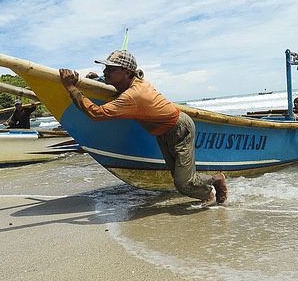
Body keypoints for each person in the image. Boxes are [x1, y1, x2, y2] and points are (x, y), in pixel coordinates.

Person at [59, 50, 227, 206]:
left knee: (182, 183)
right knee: (179, 177)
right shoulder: (131, 82)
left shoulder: (133, 95)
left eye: (111, 68)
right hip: (164, 132)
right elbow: (118, 83)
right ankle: (210, 190)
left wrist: (71, 87)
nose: (106, 71)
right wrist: (97, 80)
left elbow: (97, 114)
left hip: (179, 129)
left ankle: (213, 185)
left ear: (127, 73)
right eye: (105, 67)